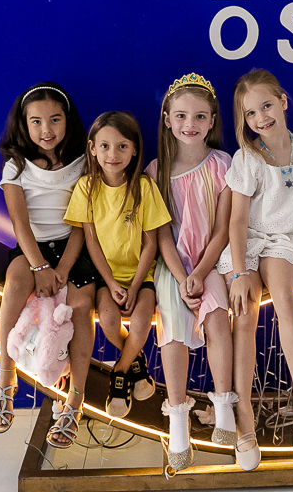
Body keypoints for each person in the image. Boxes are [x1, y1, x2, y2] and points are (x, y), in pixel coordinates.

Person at [218, 69, 293, 469]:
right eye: (250, 113)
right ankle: (244, 415)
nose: (261, 118)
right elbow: (236, 222)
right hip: (249, 240)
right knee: (245, 312)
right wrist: (238, 273)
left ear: (282, 102)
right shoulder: (247, 158)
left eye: (266, 106)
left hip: (285, 239)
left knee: (285, 297)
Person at [0, 83, 98, 450]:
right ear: (24, 124)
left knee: (81, 304)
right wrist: (39, 267)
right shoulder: (16, 166)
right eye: (36, 121)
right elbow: (20, 225)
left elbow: (82, 223)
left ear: (68, 120)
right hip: (32, 248)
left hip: (74, 248)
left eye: (54, 119)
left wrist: (64, 268)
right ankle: (6, 377)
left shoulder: (83, 162)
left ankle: (75, 401)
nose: (46, 129)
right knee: (15, 282)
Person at [147, 73, 236, 473]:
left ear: (212, 121)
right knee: (172, 325)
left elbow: (222, 230)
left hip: (210, 261)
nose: (190, 124)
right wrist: (182, 275)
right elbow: (162, 233)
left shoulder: (223, 165)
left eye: (200, 116)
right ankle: (178, 418)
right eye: (181, 116)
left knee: (217, 316)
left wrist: (199, 272)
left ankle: (224, 405)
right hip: (173, 265)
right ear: (167, 119)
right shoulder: (155, 171)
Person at [65, 111, 172, 418]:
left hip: (141, 275)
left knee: (140, 325)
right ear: (92, 149)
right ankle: (136, 363)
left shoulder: (144, 187)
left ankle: (121, 371)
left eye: (122, 146)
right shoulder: (85, 188)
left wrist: (135, 286)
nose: (113, 154)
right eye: (105, 146)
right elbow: (91, 242)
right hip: (106, 277)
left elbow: (151, 243)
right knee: (110, 323)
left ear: (134, 149)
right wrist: (111, 283)